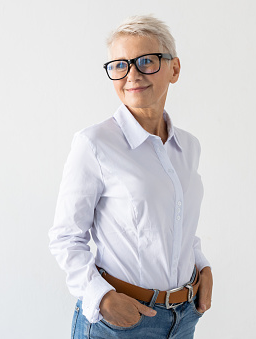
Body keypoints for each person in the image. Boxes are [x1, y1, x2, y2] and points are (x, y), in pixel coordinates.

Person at [48, 15, 213, 339]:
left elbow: (177, 224)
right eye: (119, 65)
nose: (132, 75)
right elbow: (66, 237)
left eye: (146, 61)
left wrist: (202, 266)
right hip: (122, 323)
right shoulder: (94, 144)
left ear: (174, 69)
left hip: (184, 318)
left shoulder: (188, 147)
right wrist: (102, 297)